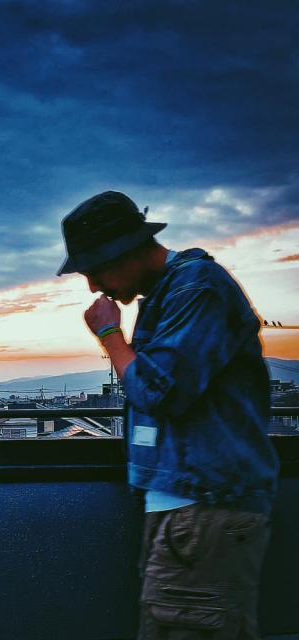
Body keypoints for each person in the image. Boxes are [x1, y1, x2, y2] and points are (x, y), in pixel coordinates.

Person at [56, 190, 280, 639]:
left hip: (202, 507)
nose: (94, 286)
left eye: (95, 270)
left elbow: (157, 392)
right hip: (191, 506)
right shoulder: (172, 293)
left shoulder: (197, 287)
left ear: (127, 251)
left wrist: (110, 335)